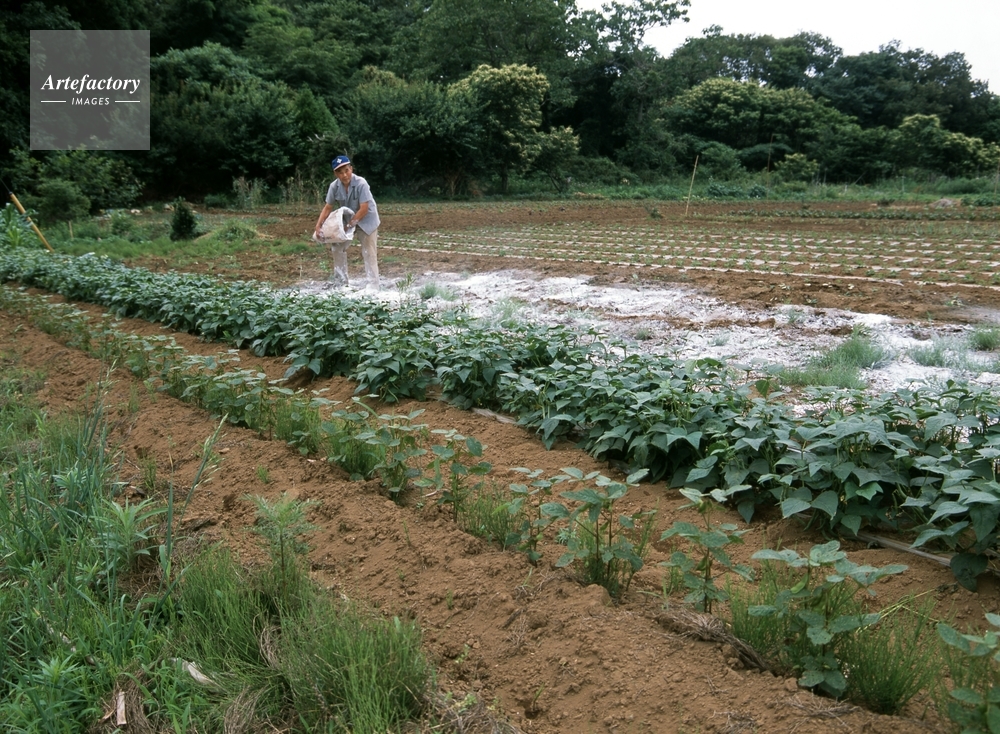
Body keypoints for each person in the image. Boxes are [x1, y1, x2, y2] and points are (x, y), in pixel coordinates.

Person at [313, 155, 380, 289]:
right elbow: (328, 207)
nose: (344, 175)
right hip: (348, 219)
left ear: (351, 169)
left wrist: (349, 226)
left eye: (346, 170)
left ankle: (373, 285)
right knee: (337, 247)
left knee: (369, 251)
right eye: (340, 172)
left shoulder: (361, 183)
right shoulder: (334, 186)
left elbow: (364, 208)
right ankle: (340, 282)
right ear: (335, 174)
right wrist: (318, 226)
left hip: (367, 219)